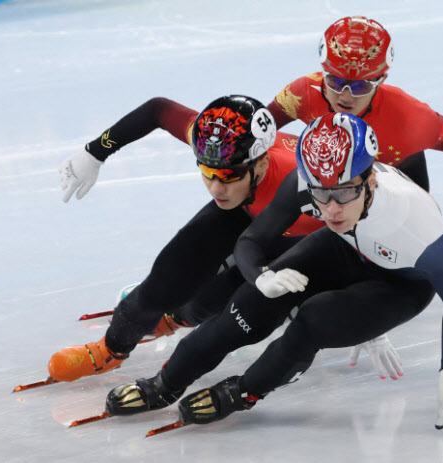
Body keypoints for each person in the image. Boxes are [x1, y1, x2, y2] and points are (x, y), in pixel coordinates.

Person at [104, 113, 443, 431]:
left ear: (371, 179)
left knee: (313, 322)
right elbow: (250, 241)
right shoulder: (309, 183)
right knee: (250, 304)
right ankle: (165, 383)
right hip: (344, 248)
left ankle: (245, 391)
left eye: (345, 193)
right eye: (320, 195)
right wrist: (261, 276)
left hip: (398, 283)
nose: (331, 209)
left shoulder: (415, 225)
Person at [49, 96, 401, 384]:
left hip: (294, 229)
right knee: (165, 279)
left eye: (228, 175)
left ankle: (176, 319)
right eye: (207, 172)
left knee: (229, 297)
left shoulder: (307, 188)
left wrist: (368, 318)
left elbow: (361, 239)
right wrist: (96, 151)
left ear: (261, 163)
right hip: (246, 205)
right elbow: (157, 109)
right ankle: (111, 349)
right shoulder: (218, 144)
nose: (216, 187)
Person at [265, 16, 443, 278]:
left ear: (382, 79)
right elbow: (253, 135)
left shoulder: (409, 116)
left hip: (395, 203)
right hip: (345, 193)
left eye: (360, 86)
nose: (345, 96)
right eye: (334, 82)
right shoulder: (303, 93)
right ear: (323, 73)